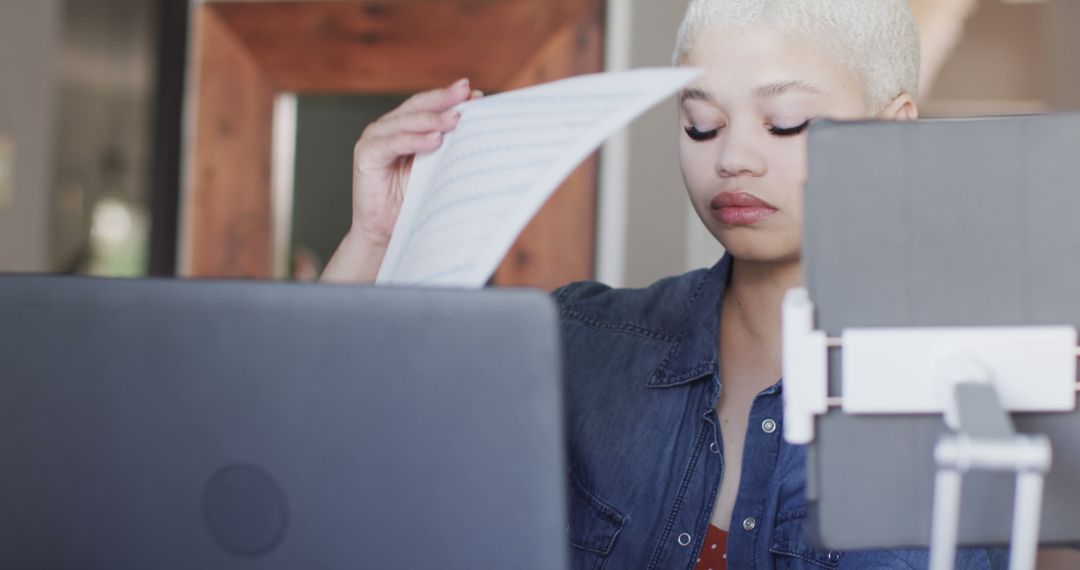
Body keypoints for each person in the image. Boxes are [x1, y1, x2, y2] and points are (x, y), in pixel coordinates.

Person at [323, 1, 1003, 567]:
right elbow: (331, 455)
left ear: (892, 131)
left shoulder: (980, 393)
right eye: (700, 124)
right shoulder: (577, 343)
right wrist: (377, 239)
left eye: (785, 122)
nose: (733, 158)